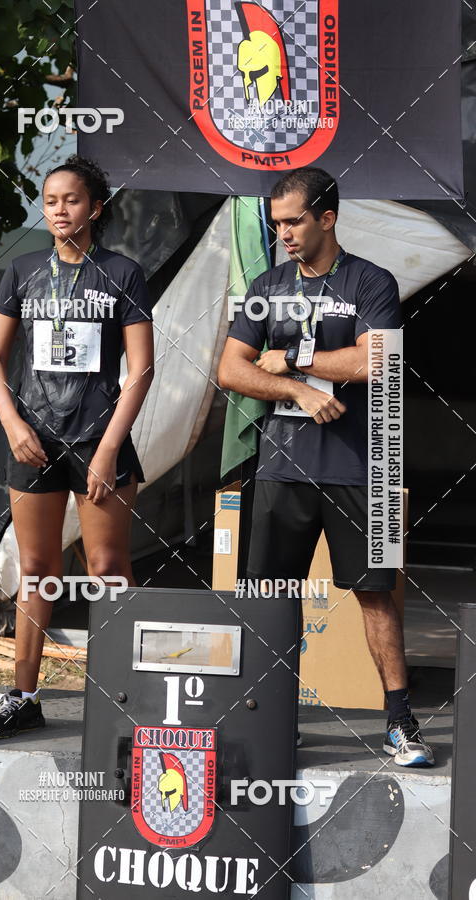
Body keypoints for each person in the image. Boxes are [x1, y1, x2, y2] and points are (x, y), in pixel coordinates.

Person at [217, 167, 434, 767]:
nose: (283, 232)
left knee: (376, 595)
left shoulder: (371, 281)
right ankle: (265, 721)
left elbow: (378, 363)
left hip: (364, 466)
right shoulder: (266, 286)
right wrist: (299, 391)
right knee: (265, 597)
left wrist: (295, 357)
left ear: (327, 218)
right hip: (281, 470)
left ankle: (399, 722)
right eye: (277, 222)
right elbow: (231, 370)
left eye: (294, 221)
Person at [0, 155, 154, 739]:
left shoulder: (123, 273)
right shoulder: (23, 270)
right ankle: (24, 693)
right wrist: (13, 424)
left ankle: (125, 694)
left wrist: (107, 449)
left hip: (99, 439)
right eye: (51, 201)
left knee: (107, 567)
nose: (59, 210)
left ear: (95, 208)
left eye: (71, 200)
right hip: (33, 440)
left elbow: (142, 369)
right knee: (35, 568)